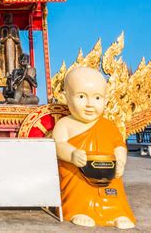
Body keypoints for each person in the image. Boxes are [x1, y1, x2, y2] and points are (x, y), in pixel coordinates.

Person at [52, 67, 136, 229]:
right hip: (77, 174)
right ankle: (79, 210)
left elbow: (119, 145)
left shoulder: (108, 125)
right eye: (81, 97)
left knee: (113, 192)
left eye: (97, 98)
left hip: (107, 172)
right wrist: (72, 154)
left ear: (105, 101)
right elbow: (58, 144)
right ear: (66, 98)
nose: (90, 104)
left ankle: (117, 214)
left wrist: (120, 161)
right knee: (79, 191)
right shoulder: (65, 124)